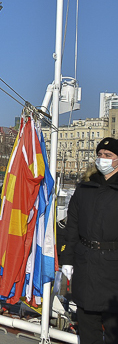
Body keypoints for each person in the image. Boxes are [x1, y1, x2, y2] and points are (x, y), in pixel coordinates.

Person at [61, 137, 118, 344]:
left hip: (113, 267)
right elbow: (72, 227)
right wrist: (67, 259)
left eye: (109, 156)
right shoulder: (85, 189)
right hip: (86, 263)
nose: (103, 159)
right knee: (87, 324)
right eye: (100, 155)